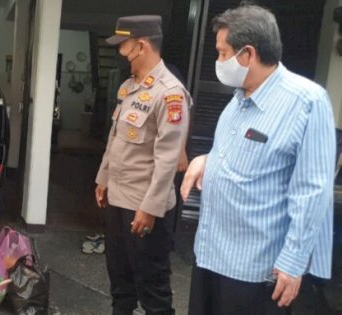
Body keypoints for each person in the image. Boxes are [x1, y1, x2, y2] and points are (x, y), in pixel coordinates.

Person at [181, 4, 335, 314]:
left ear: (248, 54)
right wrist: (206, 160)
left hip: (255, 273)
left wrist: (292, 263)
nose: (219, 61)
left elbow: (313, 191)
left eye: (222, 53)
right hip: (210, 256)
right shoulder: (239, 100)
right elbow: (238, 153)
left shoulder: (306, 102)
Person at [94, 15, 190, 315]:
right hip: (118, 199)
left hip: (145, 208)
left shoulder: (170, 93)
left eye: (123, 46)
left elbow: (167, 159)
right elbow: (115, 140)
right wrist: (103, 179)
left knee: (153, 290)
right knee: (119, 283)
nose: (121, 52)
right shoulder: (128, 87)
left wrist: (149, 209)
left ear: (142, 46)